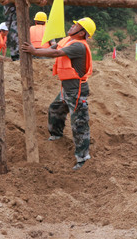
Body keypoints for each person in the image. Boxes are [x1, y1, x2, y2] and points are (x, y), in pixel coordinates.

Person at [21, 17, 96, 170]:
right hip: (67, 88)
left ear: (82, 33)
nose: (73, 26)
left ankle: (83, 158)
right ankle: (57, 135)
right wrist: (36, 51)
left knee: (79, 123)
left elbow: (57, 54)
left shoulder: (78, 46)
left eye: (77, 26)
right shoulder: (67, 40)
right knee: (55, 109)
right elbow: (53, 48)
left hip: (76, 89)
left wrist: (34, 51)